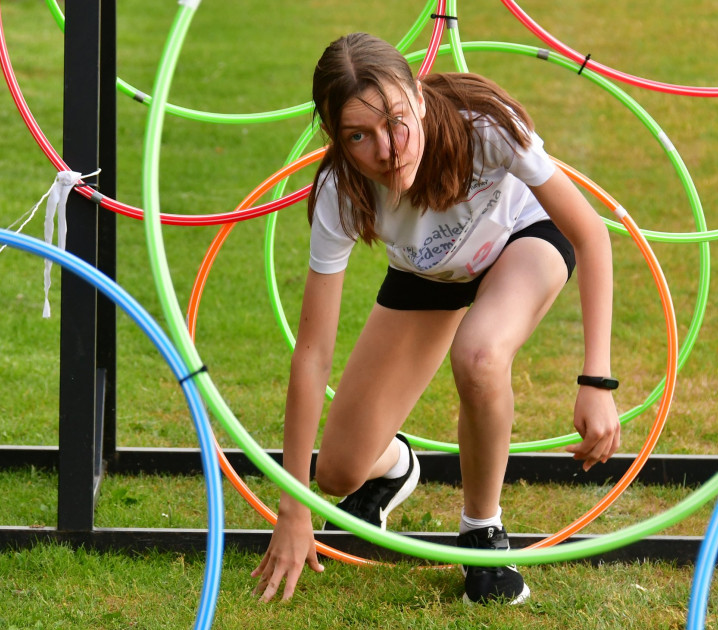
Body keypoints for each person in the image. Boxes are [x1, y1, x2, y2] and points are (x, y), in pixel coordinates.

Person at [250, 32, 622, 605]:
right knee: (337, 474)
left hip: (521, 240)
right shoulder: (339, 194)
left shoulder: (485, 129)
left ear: (419, 99)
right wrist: (294, 505)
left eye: (398, 121)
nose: (389, 148)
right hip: (431, 273)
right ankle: (394, 466)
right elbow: (312, 352)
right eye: (360, 136)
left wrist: (596, 381)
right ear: (335, 138)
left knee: (480, 354)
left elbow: (590, 234)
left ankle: (482, 532)